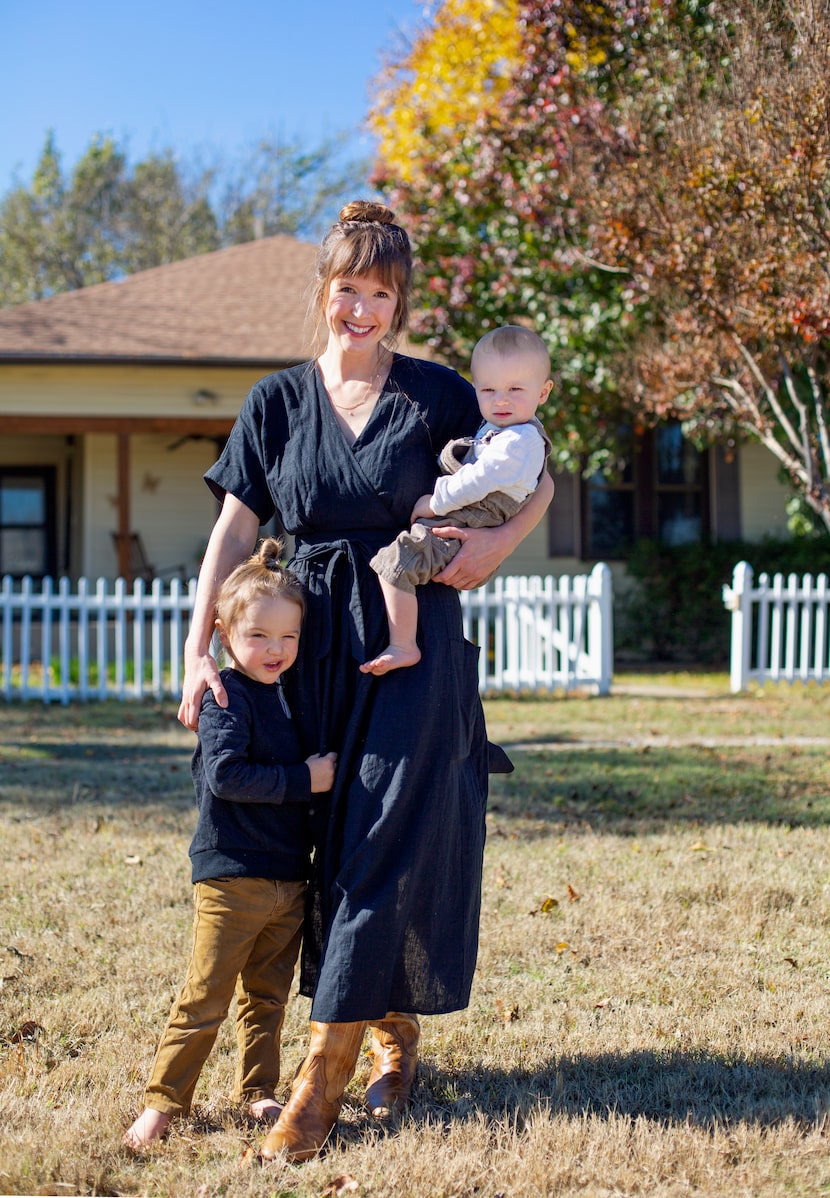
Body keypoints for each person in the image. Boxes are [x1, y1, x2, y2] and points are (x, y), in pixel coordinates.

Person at [176, 201, 555, 1163]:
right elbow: (231, 532)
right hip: (303, 647)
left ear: (399, 303)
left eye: (381, 293)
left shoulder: (436, 394)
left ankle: (321, 1083)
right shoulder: (276, 403)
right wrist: (197, 648)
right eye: (349, 288)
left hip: (410, 639)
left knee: (388, 832)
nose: (362, 308)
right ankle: (397, 1034)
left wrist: (498, 544)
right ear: (324, 291)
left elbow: (536, 468)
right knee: (329, 846)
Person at [123, 538, 336, 1150]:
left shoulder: (293, 698)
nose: (276, 650)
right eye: (260, 637)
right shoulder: (226, 697)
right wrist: (306, 779)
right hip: (233, 873)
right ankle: (162, 1105)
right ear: (222, 634)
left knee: (267, 995)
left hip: (289, 876)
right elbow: (227, 775)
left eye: (288, 638)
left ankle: (259, 1091)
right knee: (207, 995)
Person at [361, 324, 552, 675]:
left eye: (515, 389)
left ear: (544, 392)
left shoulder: (519, 441)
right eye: (489, 389)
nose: (501, 400)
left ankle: (402, 645)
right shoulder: (501, 431)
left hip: (470, 521)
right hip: (466, 517)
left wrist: (434, 503)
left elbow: (476, 482)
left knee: (395, 564)